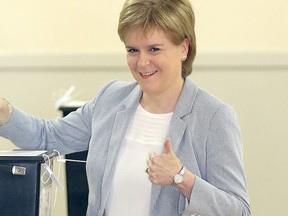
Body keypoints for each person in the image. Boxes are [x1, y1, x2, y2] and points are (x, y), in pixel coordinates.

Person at [0, 0, 251, 215]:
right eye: (132, 50)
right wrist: (3, 112)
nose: (142, 62)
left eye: (154, 49)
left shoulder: (214, 116)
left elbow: (239, 209)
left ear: (183, 48)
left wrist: (182, 178)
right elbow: (47, 137)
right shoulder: (110, 98)